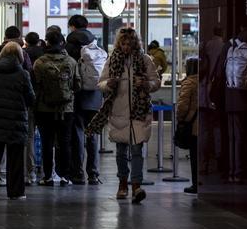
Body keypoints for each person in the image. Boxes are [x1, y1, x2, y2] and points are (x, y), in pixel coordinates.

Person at [90, 28, 161, 203]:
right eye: (123, 43)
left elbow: (156, 81)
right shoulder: (112, 60)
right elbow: (100, 83)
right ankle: (122, 183)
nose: (126, 47)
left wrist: (145, 84)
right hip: (119, 111)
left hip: (139, 112)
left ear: (135, 43)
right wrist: (109, 84)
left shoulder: (145, 60)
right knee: (121, 151)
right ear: (119, 43)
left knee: (137, 150)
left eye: (130, 43)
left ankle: (136, 185)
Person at [0, 42, 35, 201]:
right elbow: (30, 98)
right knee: (15, 158)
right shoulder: (23, 74)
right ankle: (16, 192)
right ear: (20, 55)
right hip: (15, 122)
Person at [31, 27, 80, 186]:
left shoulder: (39, 63)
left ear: (47, 42)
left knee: (47, 143)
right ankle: (65, 176)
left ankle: (48, 176)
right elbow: (77, 85)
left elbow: (35, 86)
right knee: (65, 142)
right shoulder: (71, 62)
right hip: (66, 109)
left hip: (44, 109)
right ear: (62, 43)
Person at [66, 14, 106, 185]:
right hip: (95, 96)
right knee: (93, 136)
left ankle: (78, 173)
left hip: (77, 95)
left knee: (78, 134)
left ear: (73, 26)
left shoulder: (69, 46)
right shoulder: (97, 45)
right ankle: (94, 174)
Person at [225, 24, 247, 183]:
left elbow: (220, 71)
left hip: (231, 97)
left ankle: (234, 172)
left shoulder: (231, 48)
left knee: (234, 137)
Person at [4, 25, 37, 183]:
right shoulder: (24, 60)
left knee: (1, 141)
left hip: (2, 108)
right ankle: (28, 174)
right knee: (27, 138)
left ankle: (3, 175)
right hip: (22, 106)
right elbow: (30, 82)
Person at [199, 24, 226, 175]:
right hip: (217, 93)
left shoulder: (205, 46)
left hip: (203, 93)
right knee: (217, 128)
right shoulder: (224, 46)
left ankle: (203, 164)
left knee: (203, 130)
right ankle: (219, 161)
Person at [177, 57, 200, 195]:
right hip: (203, 123)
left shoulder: (189, 83)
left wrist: (180, 119)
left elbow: (182, 106)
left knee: (194, 155)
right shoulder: (204, 81)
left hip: (192, 124)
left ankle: (195, 184)